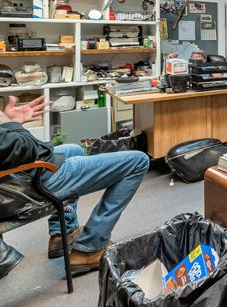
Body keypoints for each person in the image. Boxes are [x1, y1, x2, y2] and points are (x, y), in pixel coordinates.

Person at [0, 96, 149, 277]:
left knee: (73, 149)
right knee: (138, 161)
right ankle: (91, 247)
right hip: (23, 183)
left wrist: (9, 123)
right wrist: (9, 123)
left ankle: (63, 233)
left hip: (13, 175)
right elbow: (27, 148)